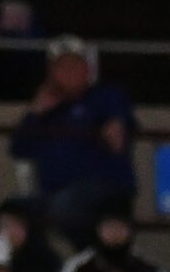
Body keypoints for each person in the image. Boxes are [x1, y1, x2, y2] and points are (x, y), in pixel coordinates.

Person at [10, 36, 139, 245]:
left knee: (64, 208)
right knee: (10, 212)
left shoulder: (106, 97)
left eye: (75, 65)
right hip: (52, 194)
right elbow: (19, 150)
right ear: (51, 72)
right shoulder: (44, 109)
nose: (69, 72)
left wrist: (113, 128)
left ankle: (91, 256)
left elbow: (117, 137)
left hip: (101, 189)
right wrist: (35, 112)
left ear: (87, 69)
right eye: (62, 66)